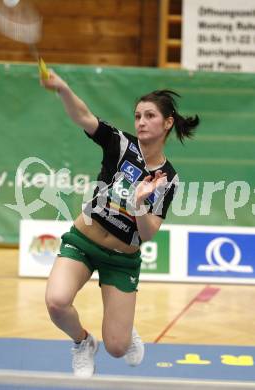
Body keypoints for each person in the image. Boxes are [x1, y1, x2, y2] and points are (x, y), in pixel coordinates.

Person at [41, 70, 199, 378]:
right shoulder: (120, 144)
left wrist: (139, 204)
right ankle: (83, 342)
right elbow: (84, 116)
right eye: (138, 115)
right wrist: (62, 88)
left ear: (167, 123)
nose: (140, 121)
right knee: (56, 302)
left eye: (150, 115)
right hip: (83, 242)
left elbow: (149, 233)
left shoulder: (168, 178)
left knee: (117, 347)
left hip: (122, 260)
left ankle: (125, 330)